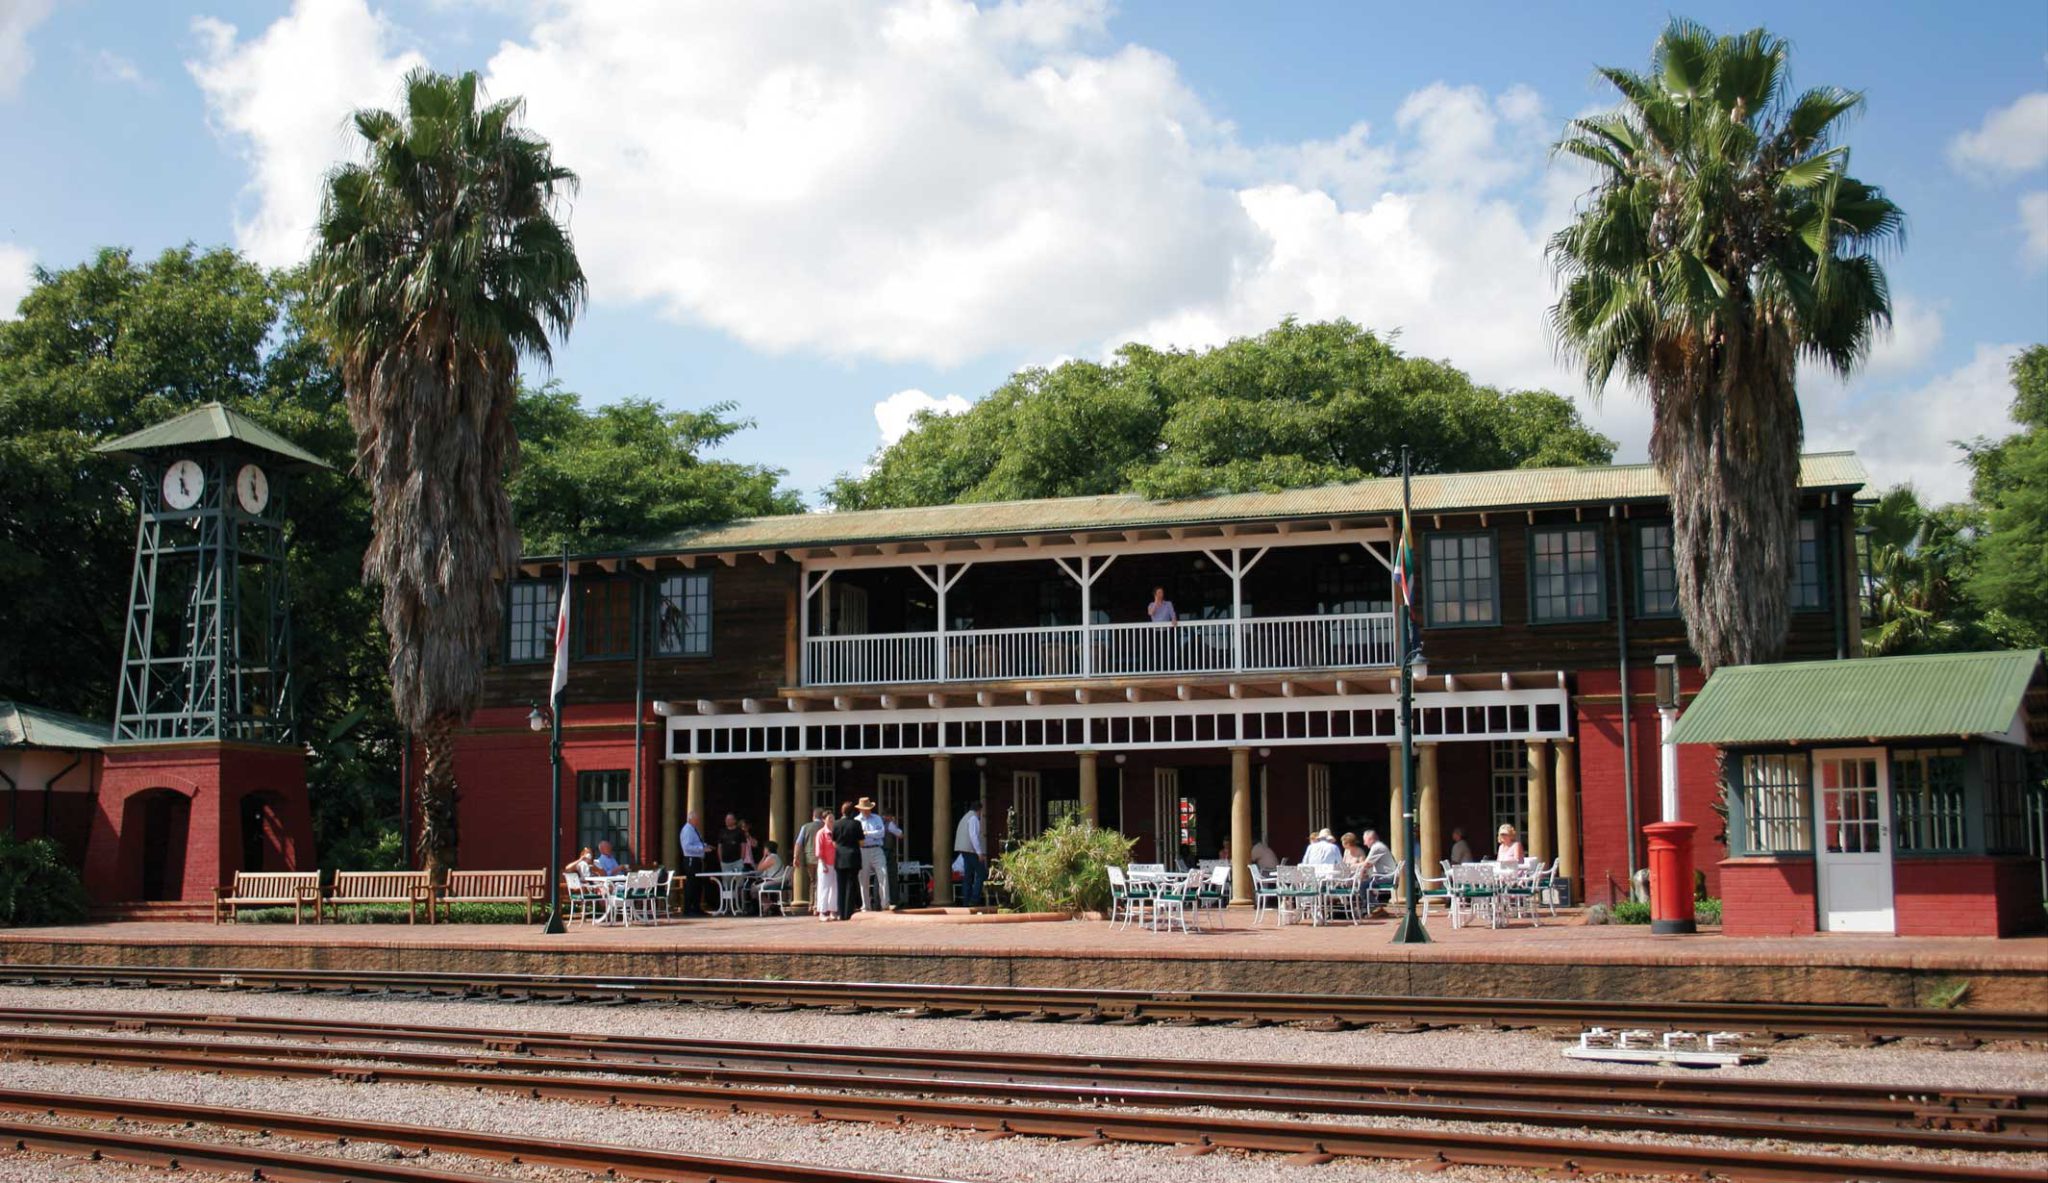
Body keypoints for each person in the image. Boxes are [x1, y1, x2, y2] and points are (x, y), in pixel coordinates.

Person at [830, 802, 865, 921]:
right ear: (852, 812)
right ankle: (848, 912)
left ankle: (840, 912)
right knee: (851, 885)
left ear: (842, 812)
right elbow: (861, 842)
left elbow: (833, 842)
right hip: (853, 856)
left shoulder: (836, 824)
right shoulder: (856, 824)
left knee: (841, 885)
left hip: (840, 857)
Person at [855, 797, 888, 911]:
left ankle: (885, 904)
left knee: (883, 874)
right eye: (864, 809)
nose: (867, 810)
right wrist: (872, 835)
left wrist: (867, 833)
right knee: (863, 878)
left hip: (877, 849)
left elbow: (881, 833)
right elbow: (858, 837)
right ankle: (866, 905)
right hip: (863, 850)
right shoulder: (856, 821)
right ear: (860, 809)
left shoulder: (877, 818)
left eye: (868, 808)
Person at [954, 800, 987, 907]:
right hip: (971, 851)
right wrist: (979, 853)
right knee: (982, 873)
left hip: (964, 850)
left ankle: (966, 901)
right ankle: (974, 899)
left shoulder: (965, 817)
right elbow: (973, 836)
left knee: (967, 876)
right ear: (979, 810)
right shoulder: (973, 818)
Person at [795, 806, 827, 905]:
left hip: (809, 858)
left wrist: (795, 857)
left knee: (813, 881)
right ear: (823, 817)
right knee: (822, 881)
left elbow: (798, 843)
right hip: (823, 858)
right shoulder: (826, 826)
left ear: (813, 816)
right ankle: (820, 904)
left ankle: (812, 904)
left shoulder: (805, 827)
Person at [679, 811, 709, 916]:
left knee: (698, 884)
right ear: (691, 819)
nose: (698, 821)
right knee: (691, 884)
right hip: (691, 860)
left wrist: (705, 846)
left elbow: (697, 843)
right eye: (696, 819)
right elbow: (687, 847)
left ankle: (696, 907)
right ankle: (688, 909)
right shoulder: (687, 830)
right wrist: (701, 848)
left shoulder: (694, 830)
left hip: (697, 860)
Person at [813, 815, 839, 921]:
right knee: (824, 888)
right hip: (825, 863)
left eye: (833, 818)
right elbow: (819, 852)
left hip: (835, 863)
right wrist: (823, 864)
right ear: (824, 820)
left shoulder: (835, 832)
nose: (832, 821)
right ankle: (822, 912)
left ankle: (833, 911)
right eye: (829, 819)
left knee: (834, 888)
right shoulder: (821, 833)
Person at [748, 841, 783, 914]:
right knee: (755, 886)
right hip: (777, 881)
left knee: (754, 888)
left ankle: (767, 903)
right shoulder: (775, 856)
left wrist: (764, 856)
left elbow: (759, 868)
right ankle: (768, 903)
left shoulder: (771, 857)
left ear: (767, 849)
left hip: (775, 881)